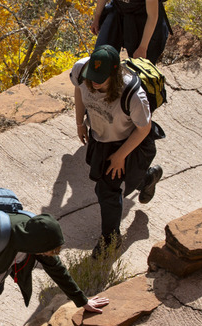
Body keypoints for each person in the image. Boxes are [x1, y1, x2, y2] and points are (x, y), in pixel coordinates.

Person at [71, 44, 163, 258]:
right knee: (111, 182)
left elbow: (144, 129)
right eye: (91, 75)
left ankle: (110, 240)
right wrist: (80, 123)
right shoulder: (81, 70)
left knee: (106, 190)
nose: (93, 81)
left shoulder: (132, 94)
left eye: (100, 77)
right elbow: (78, 87)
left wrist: (120, 156)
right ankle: (148, 178)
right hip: (101, 137)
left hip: (129, 143)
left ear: (114, 74)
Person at [91, 0, 171, 64]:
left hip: (144, 20)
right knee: (100, 57)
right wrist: (97, 18)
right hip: (119, 11)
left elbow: (152, 17)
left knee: (140, 66)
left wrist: (143, 48)